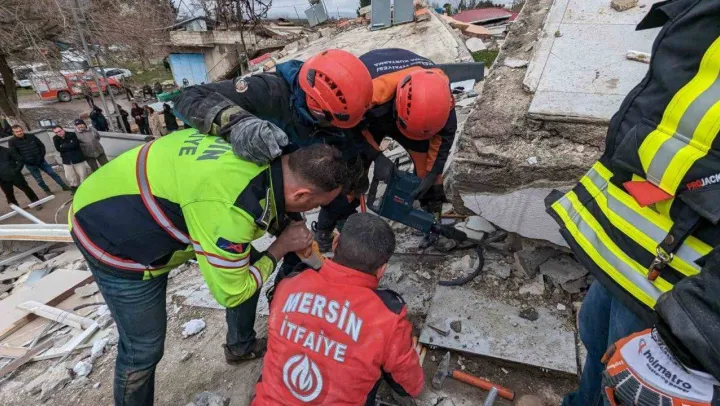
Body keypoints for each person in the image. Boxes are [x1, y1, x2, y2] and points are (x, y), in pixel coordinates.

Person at [70, 126, 351, 405]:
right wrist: (280, 247)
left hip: (146, 194)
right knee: (143, 348)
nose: (309, 212)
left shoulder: (263, 146)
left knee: (247, 265)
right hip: (112, 234)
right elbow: (233, 292)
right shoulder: (229, 209)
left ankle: (240, 345)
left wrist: (293, 234)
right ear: (301, 195)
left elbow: (266, 205)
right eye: (313, 205)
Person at [545, 1, 720, 405]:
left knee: (624, 382)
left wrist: (702, 318)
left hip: (687, 285)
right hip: (635, 242)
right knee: (595, 334)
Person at [173, 48, 374, 280]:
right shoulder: (269, 91)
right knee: (258, 257)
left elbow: (348, 147)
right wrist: (237, 123)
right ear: (316, 107)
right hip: (240, 187)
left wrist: (356, 180)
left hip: (293, 182)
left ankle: (299, 282)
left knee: (301, 242)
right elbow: (188, 98)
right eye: (332, 123)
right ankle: (281, 287)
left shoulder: (344, 112)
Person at [253, 213, 423, 405]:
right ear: (382, 269)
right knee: (381, 360)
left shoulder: (289, 285)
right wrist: (411, 359)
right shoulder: (387, 318)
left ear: (335, 243)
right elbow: (412, 386)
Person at [314, 48, 457, 251]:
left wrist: (432, 173)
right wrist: (376, 156)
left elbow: (444, 138)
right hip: (368, 115)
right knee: (349, 176)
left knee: (430, 175)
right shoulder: (365, 91)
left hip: (413, 116)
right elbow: (347, 129)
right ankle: (325, 230)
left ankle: (433, 224)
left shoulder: (443, 100)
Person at [8, 125, 69, 194]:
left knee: (52, 173)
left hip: (41, 160)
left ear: (22, 130)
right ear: (13, 133)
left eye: (20, 131)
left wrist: (41, 156)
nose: (19, 133)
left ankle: (64, 186)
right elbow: (15, 154)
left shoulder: (31, 136)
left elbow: (41, 146)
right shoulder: (11, 141)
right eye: (17, 132)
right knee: (39, 179)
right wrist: (26, 161)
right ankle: (47, 190)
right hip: (30, 164)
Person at [0, 144, 40, 209]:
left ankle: (36, 203)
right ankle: (16, 209)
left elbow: (20, 160)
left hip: (16, 176)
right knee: (9, 194)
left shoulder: (9, 150)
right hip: (2, 179)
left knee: (26, 189)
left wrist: (16, 171)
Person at [51, 126, 87, 193]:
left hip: (77, 158)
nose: (59, 133)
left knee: (82, 173)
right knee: (69, 175)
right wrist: (69, 145)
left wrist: (63, 146)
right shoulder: (55, 138)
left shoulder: (72, 134)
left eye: (59, 131)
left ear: (63, 129)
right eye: (56, 132)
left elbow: (75, 145)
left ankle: (84, 186)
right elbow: (58, 149)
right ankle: (74, 187)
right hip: (66, 159)